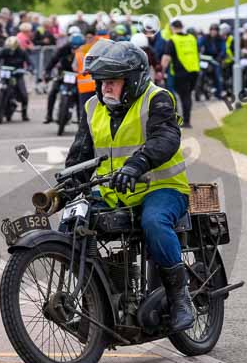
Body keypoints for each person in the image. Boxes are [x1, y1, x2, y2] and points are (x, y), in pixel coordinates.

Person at [65, 40, 194, 332]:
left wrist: (137, 164)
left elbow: (165, 139)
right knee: (72, 225)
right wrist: (70, 185)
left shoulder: (157, 98)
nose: (105, 88)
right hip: (114, 192)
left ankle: (179, 298)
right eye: (102, 82)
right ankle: (94, 302)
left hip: (161, 187)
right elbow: (80, 153)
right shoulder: (92, 106)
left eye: (113, 82)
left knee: (154, 222)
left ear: (133, 81)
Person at [161, 20, 199, 128]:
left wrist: (162, 71)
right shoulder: (192, 38)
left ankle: (182, 121)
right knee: (187, 96)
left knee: (180, 96)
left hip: (180, 72)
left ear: (172, 28)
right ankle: (187, 120)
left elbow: (166, 58)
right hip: (194, 71)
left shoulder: (172, 40)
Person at [0, 36, 32, 120]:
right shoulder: (5, 51)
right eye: (9, 46)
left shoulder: (22, 52)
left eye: (13, 46)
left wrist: (29, 68)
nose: (11, 49)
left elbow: (29, 62)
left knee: (24, 94)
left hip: (17, 74)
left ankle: (24, 113)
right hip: (6, 72)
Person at [43, 33, 84, 124]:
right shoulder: (64, 48)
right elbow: (54, 59)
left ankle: (79, 119)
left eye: (77, 48)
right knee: (52, 92)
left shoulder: (85, 51)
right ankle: (49, 115)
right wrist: (47, 71)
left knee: (78, 95)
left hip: (77, 75)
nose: (74, 50)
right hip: (63, 73)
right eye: (73, 48)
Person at [200, 23, 225, 98]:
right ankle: (199, 88)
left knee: (217, 75)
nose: (213, 32)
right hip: (206, 58)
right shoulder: (205, 37)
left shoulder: (220, 39)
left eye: (215, 30)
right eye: (212, 30)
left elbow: (223, 49)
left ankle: (219, 92)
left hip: (216, 59)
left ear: (217, 31)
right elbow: (199, 44)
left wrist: (220, 57)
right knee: (200, 71)